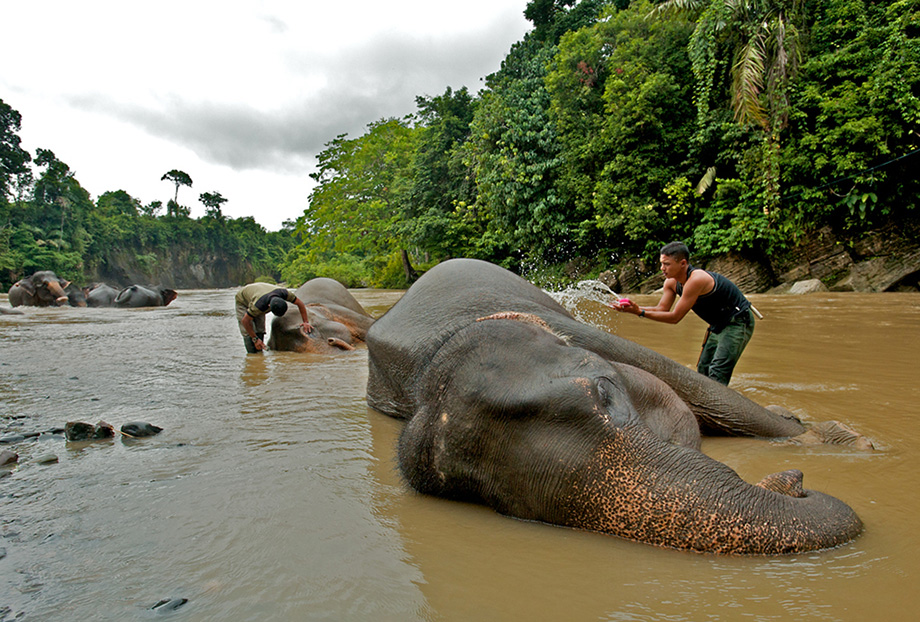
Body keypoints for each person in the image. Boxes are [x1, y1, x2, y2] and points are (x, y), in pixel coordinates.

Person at [615, 241, 755, 385]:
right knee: (704, 368)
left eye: (667, 264)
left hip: (737, 322)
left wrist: (640, 312)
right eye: (661, 264)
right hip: (717, 324)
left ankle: (718, 406)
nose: (662, 268)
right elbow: (662, 309)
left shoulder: (696, 279)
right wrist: (635, 309)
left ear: (682, 263)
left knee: (717, 371)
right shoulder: (671, 283)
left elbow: (675, 317)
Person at [235, 283, 313, 353]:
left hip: (260, 293)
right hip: (243, 300)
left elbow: (300, 303)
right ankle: (252, 354)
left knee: (260, 329)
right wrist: (255, 339)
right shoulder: (259, 305)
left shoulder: (285, 293)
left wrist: (306, 322)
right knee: (248, 332)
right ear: (269, 306)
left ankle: (259, 351)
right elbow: (245, 321)